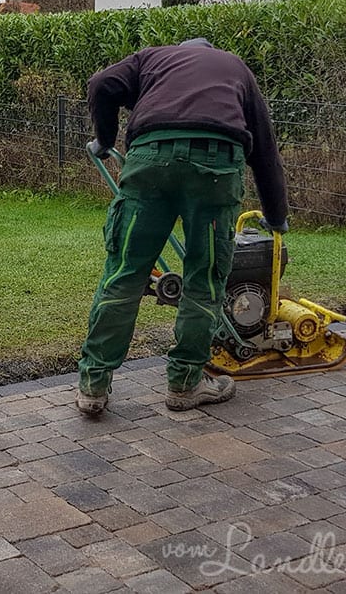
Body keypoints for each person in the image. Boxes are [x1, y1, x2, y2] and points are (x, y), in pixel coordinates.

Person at [77, 38, 288, 415]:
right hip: (214, 168)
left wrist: (105, 140)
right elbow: (265, 151)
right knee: (203, 278)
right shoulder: (235, 66)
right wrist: (276, 215)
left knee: (124, 272)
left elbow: (101, 84)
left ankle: (93, 384)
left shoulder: (151, 59)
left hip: (149, 164)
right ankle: (185, 383)